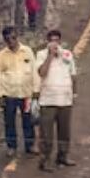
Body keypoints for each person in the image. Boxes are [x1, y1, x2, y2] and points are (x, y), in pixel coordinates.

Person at [35, 29, 77, 170]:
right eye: (52, 40)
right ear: (48, 42)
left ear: (60, 41)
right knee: (46, 133)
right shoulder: (41, 55)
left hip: (65, 99)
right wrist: (50, 56)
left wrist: (74, 94)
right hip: (48, 100)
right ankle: (45, 160)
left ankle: (63, 156)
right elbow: (42, 72)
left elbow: (73, 75)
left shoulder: (67, 54)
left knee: (64, 131)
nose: (55, 43)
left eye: (57, 40)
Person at [0, 27, 36, 157]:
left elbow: (34, 71)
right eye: (8, 39)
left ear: (17, 36)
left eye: (13, 38)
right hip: (9, 94)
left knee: (28, 120)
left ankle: (30, 145)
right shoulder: (2, 55)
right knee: (9, 121)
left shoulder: (27, 51)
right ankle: (11, 146)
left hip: (26, 93)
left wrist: (36, 90)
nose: (11, 41)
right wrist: (0, 95)